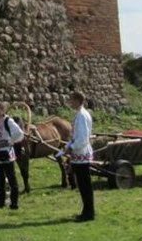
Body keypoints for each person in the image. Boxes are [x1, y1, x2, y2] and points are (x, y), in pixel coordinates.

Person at [58, 91, 95, 222]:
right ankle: (86, 211)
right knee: (82, 185)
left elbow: (82, 138)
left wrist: (71, 148)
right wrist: (68, 146)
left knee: (85, 185)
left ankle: (89, 213)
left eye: (72, 100)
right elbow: (75, 137)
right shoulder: (80, 114)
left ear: (78, 101)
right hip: (79, 154)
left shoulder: (82, 116)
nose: (70, 102)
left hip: (82, 153)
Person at [0, 101, 25, 210]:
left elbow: (19, 133)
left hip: (8, 153)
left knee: (11, 178)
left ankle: (14, 203)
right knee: (0, 180)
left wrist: (11, 141)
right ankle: (1, 202)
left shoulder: (8, 121)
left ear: (3, 109)